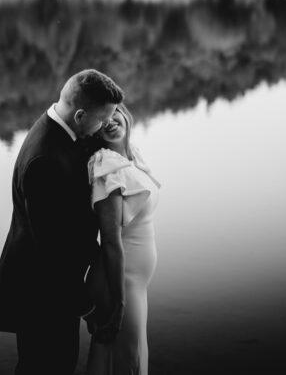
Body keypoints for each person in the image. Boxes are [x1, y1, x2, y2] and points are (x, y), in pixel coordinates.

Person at [0, 69, 125, 375]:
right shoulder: (44, 161)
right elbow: (54, 251)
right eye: (101, 119)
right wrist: (88, 306)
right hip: (40, 296)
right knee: (47, 367)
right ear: (79, 115)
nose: (104, 126)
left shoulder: (61, 131)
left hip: (52, 291)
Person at [84, 103, 161, 375]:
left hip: (135, 282)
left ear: (125, 111)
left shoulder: (130, 155)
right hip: (121, 283)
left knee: (123, 355)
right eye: (100, 118)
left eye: (113, 111)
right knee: (128, 360)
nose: (109, 121)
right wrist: (118, 303)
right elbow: (110, 239)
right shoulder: (106, 164)